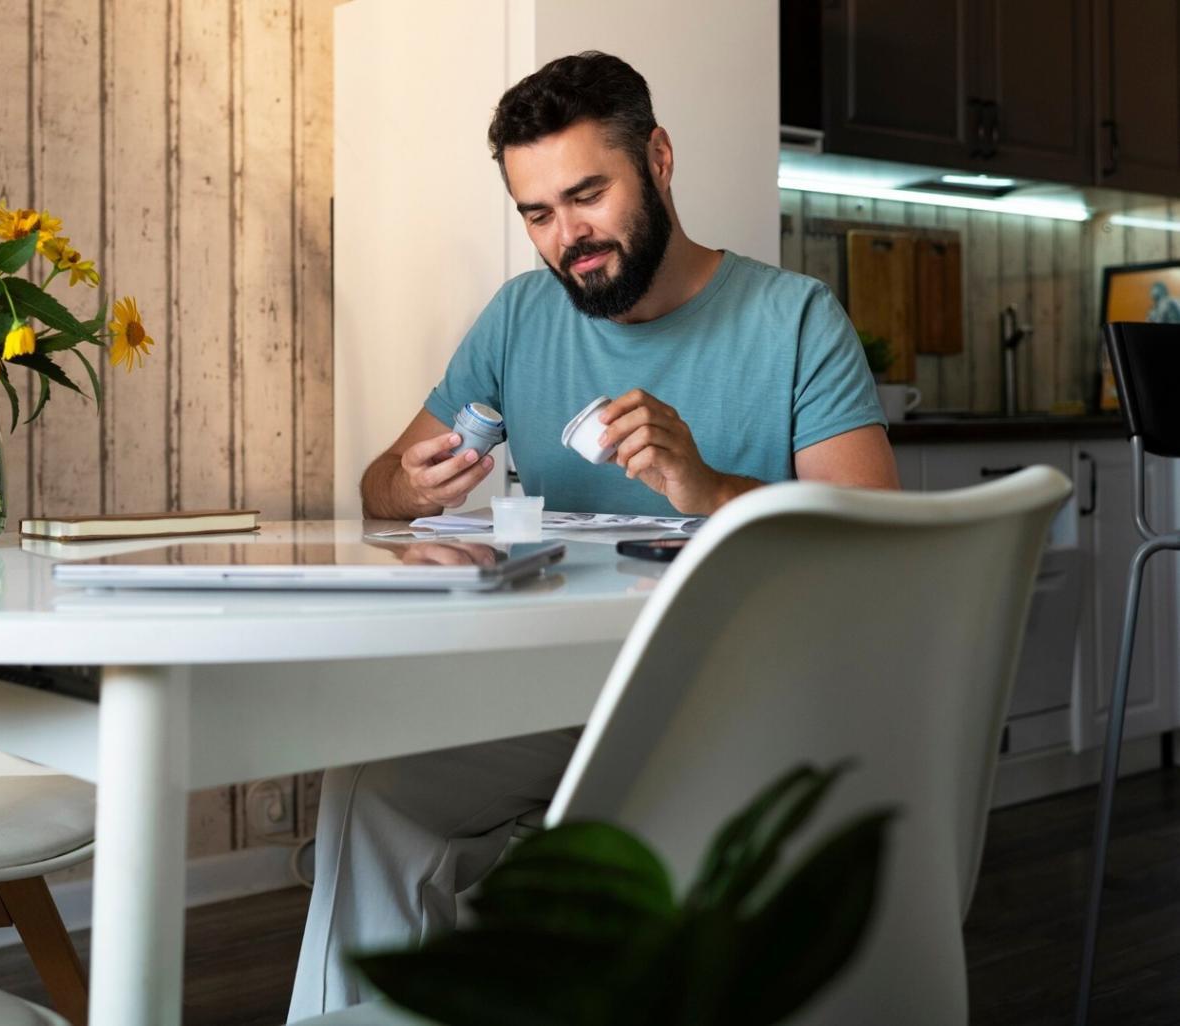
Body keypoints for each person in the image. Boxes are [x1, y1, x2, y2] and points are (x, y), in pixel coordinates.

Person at [288, 51, 900, 1020]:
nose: (566, 237)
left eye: (586, 195)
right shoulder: (521, 317)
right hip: (554, 693)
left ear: (657, 158)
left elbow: (876, 547)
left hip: (734, 701)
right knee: (376, 793)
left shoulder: (795, 322)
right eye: (537, 213)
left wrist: (703, 487)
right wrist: (405, 484)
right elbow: (377, 486)